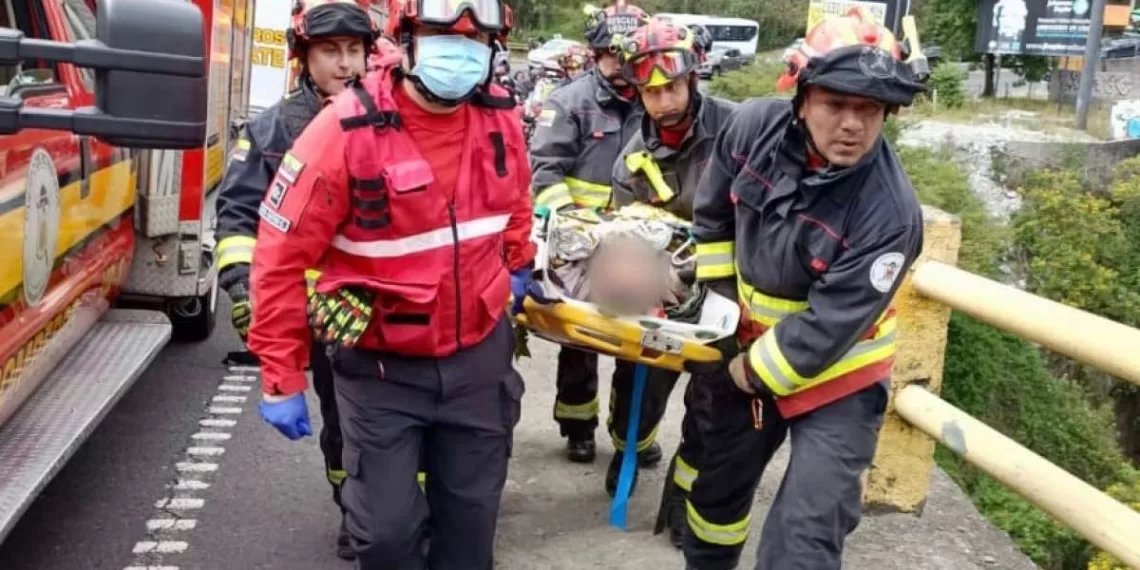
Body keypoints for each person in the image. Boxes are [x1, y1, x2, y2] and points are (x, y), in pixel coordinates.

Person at [246, 0, 534, 566]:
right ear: (404, 41)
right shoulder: (343, 131)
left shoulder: (500, 118)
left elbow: (515, 201)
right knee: (387, 537)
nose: (462, 53)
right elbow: (279, 258)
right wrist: (281, 373)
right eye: (442, 36)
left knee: (470, 535)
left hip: (478, 359)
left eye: (476, 40)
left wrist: (517, 265)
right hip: (382, 366)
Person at [684, 8, 927, 570]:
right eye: (836, 104)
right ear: (802, 98)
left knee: (806, 534)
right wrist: (717, 314)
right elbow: (713, 220)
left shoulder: (890, 214)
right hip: (744, 345)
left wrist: (744, 371)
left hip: (838, 379)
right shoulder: (750, 128)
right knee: (714, 497)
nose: (851, 125)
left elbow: (828, 326)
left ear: (887, 111)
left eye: (868, 109)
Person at [212, 0, 377, 560]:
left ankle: (399, 511)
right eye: (331, 52)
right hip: (318, 309)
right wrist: (243, 291)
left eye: (355, 51)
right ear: (303, 58)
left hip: (384, 305)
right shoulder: (272, 129)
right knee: (341, 420)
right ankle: (353, 511)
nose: (346, 64)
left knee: (390, 422)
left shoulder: (390, 117)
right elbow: (237, 218)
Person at [607, 17, 736, 543]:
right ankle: (627, 450)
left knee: (709, 408)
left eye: (672, 87)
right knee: (638, 392)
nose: (663, 101)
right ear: (638, 92)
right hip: (662, 293)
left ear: (693, 78)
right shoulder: (631, 160)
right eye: (652, 91)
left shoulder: (735, 130)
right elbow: (620, 238)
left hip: (725, 294)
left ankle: (685, 498)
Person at [528, 0, 650, 466]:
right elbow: (545, 171)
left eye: (630, 55)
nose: (624, 64)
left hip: (638, 244)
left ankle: (629, 435)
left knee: (638, 344)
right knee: (581, 342)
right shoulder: (570, 102)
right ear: (597, 54)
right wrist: (578, 231)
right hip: (579, 246)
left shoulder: (652, 99)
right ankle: (578, 426)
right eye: (615, 55)